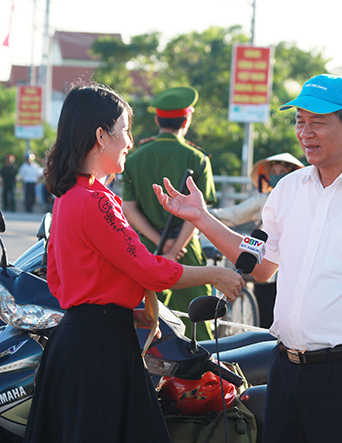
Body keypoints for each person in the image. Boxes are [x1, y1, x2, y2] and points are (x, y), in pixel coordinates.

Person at [153, 73, 342, 443]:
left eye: (318, 122)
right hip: (286, 368)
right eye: (300, 121)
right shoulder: (287, 189)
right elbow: (262, 265)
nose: (305, 132)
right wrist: (202, 218)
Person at [24, 84, 243, 443]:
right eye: (125, 130)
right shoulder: (95, 200)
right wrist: (216, 274)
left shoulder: (69, 195)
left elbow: (62, 278)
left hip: (80, 344)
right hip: (101, 350)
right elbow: (149, 269)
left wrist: (133, 306)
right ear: (100, 135)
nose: (129, 141)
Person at [123, 86, 217, 340]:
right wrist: (175, 251)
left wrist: (158, 244)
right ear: (187, 120)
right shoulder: (197, 158)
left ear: (157, 119)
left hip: (146, 252)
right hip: (186, 252)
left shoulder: (133, 158)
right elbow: (199, 213)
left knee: (146, 325)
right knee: (200, 328)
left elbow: (129, 208)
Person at [211, 152, 303, 328]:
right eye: (273, 172)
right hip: (266, 263)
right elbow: (235, 214)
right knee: (266, 317)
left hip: (292, 265)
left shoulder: (304, 200)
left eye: (281, 171)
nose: (277, 175)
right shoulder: (264, 199)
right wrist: (207, 214)